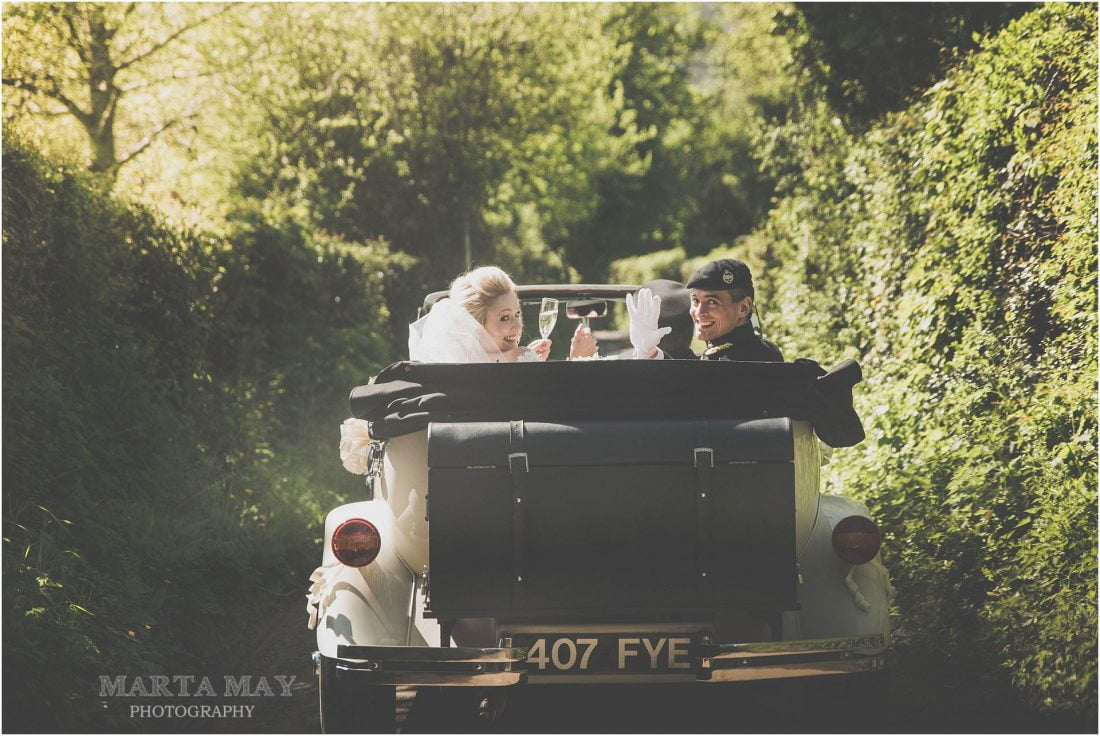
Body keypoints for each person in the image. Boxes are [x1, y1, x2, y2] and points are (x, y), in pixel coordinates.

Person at [628, 258, 783, 362]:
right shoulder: (762, 350)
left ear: (743, 308)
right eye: (695, 300)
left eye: (712, 302)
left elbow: (690, 383)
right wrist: (651, 354)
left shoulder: (739, 358)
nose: (698, 312)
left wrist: (650, 355)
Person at [408, 266, 552, 363]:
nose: (518, 325)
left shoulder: (447, 374)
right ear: (475, 325)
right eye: (505, 318)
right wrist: (525, 359)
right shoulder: (521, 360)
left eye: (517, 313)